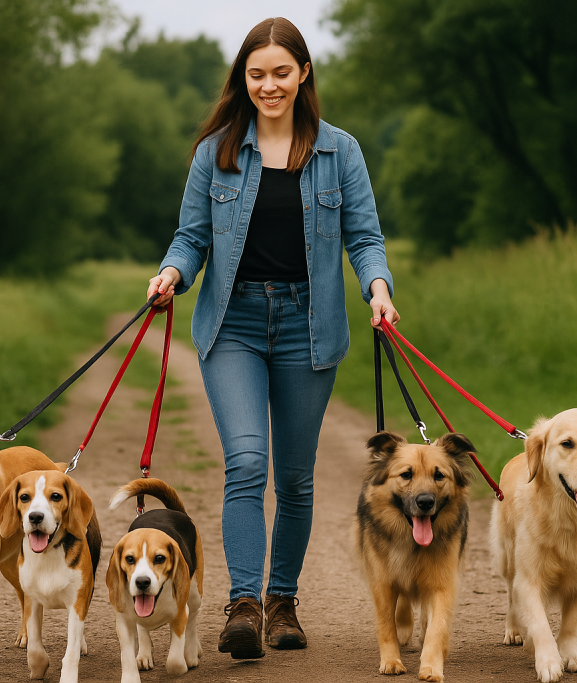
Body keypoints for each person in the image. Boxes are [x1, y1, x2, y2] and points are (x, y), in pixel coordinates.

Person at [146, 16, 399, 659]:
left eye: (281, 73)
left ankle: (282, 602)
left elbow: (364, 238)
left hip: (307, 327)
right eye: (256, 75)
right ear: (243, 79)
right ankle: (242, 604)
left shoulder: (340, 152)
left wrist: (378, 290)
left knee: (295, 477)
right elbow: (193, 236)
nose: (269, 86)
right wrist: (172, 271)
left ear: (303, 73)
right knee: (246, 463)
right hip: (232, 323)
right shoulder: (217, 152)